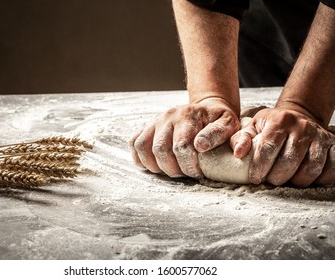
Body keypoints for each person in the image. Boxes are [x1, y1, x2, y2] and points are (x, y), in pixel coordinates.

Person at [130, 0, 335, 187]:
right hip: (265, 30)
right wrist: (211, 96)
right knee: (276, 148)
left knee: (293, 149)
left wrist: (304, 106)